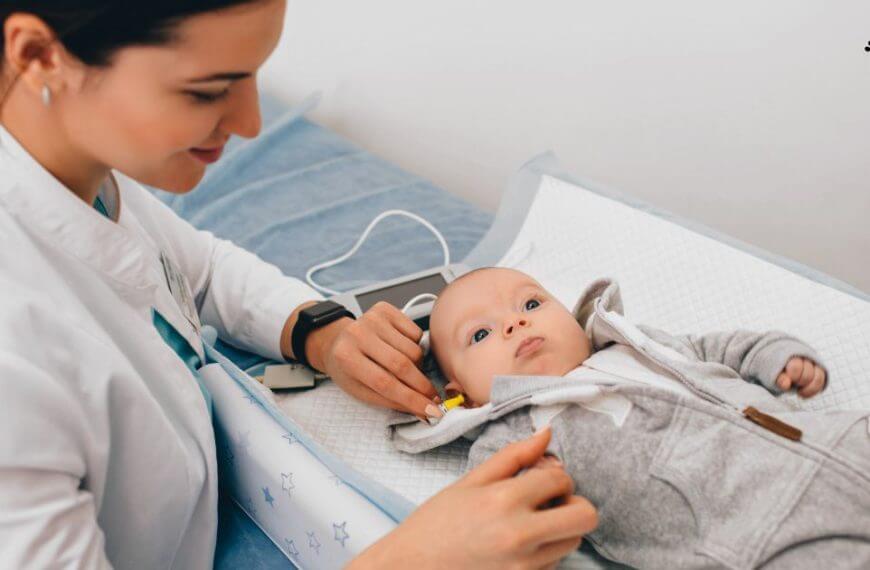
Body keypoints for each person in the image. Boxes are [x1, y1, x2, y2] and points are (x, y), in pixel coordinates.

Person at [0, 2, 597, 568]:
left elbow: (198, 266)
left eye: (257, 75)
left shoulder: (80, 174)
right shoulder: (17, 362)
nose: (252, 123)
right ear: (37, 55)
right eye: (207, 91)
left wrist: (322, 333)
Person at [394, 267, 870, 568]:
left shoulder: (637, 344)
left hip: (838, 438)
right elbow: (502, 517)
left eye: (531, 304)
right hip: (756, 532)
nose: (516, 323)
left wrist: (777, 355)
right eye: (480, 335)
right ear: (466, 397)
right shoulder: (514, 436)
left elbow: (715, 348)